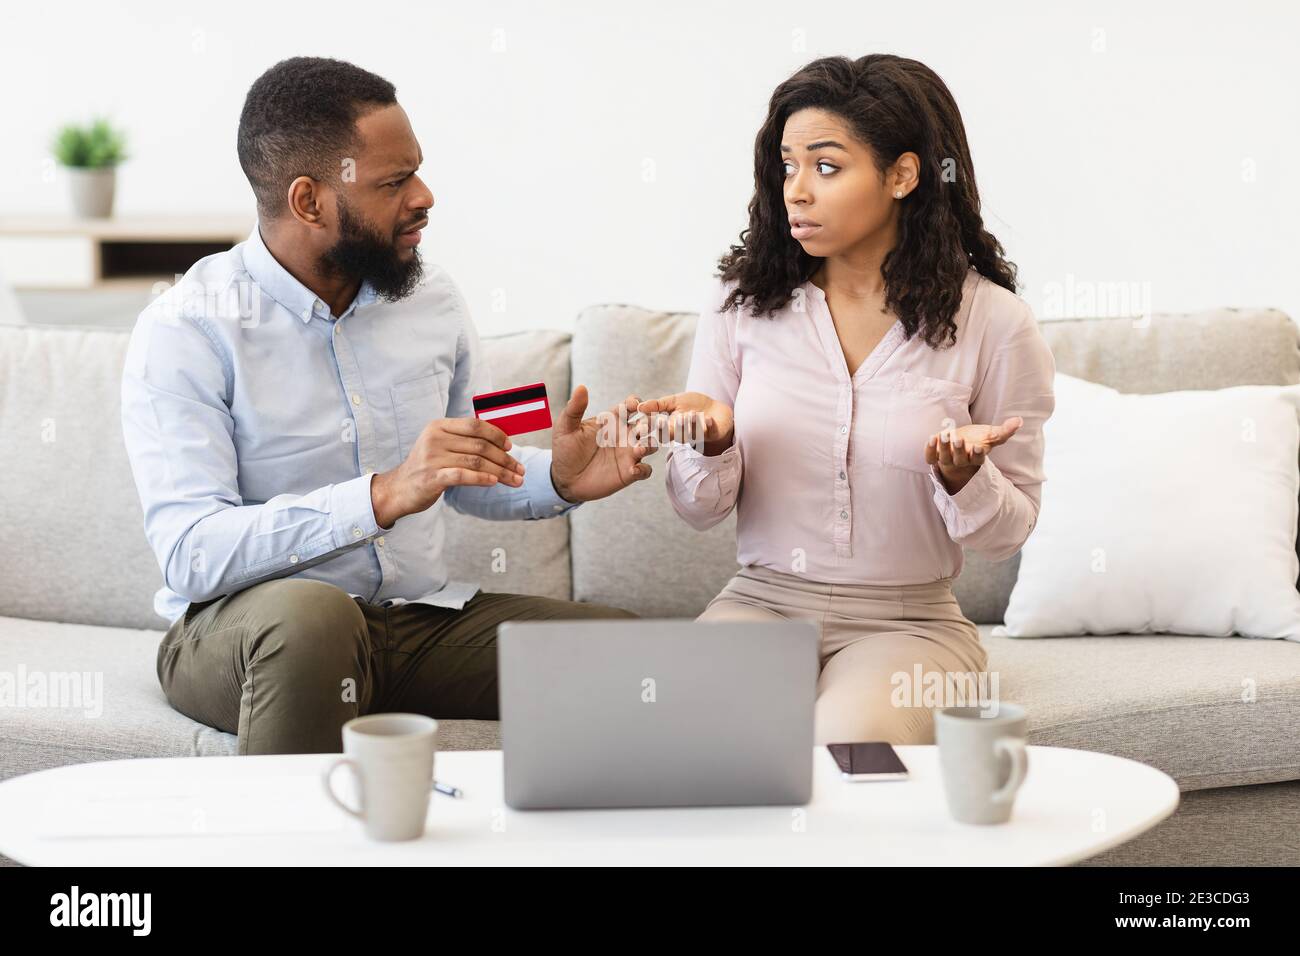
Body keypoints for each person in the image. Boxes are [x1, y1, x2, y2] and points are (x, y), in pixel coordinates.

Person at [121, 57, 654, 755]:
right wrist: (380, 496)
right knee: (313, 621)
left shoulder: (431, 299)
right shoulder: (189, 326)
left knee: (635, 655)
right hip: (245, 634)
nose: (424, 196)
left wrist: (557, 478)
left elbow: (469, 459)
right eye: (394, 182)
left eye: (418, 171)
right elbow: (190, 554)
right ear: (310, 201)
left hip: (412, 623)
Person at [629, 54, 1057, 746]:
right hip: (760, 604)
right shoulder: (741, 306)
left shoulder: (996, 323)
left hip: (911, 625)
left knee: (848, 751)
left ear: (902, 175)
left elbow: (1008, 533)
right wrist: (710, 443)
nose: (797, 190)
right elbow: (697, 509)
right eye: (788, 166)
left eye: (825, 167)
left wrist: (965, 478)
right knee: (686, 738)